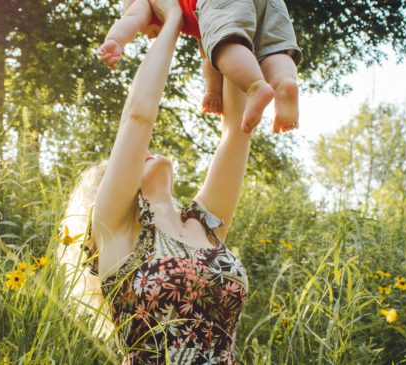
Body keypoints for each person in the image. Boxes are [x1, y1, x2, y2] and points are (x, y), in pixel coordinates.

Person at [60, 1, 255, 362]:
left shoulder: (205, 224)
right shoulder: (116, 230)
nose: (145, 150)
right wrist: (174, 18)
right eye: (138, 156)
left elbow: (237, 131)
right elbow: (138, 116)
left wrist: (222, 24)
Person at [97, 0, 302, 134]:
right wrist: (213, 92)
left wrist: (116, 39)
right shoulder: (201, 23)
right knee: (273, 49)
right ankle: (284, 84)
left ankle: (255, 86)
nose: (150, 35)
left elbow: (132, 17)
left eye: (146, 32)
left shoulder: (149, 3)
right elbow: (209, 58)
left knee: (226, 46)